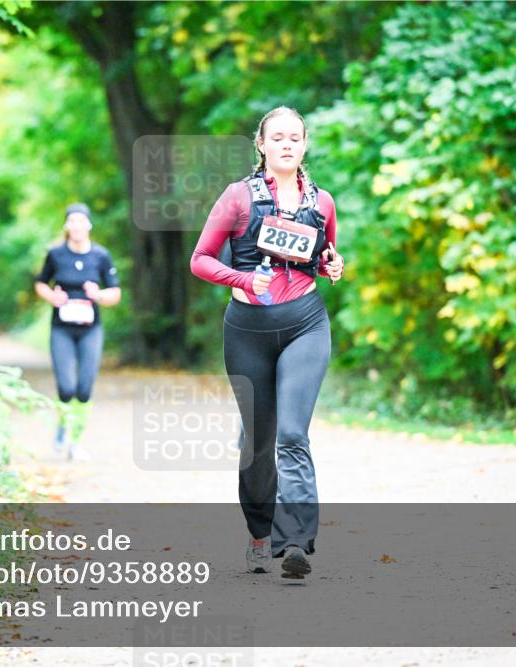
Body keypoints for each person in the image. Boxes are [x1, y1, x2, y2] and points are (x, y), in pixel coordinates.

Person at [189, 106, 344, 579]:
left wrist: (333, 266)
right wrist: (242, 279)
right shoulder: (238, 197)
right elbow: (200, 260)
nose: (286, 145)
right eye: (277, 138)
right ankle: (260, 533)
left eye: (294, 138)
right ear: (261, 145)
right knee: (258, 442)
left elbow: (324, 257)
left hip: (305, 324)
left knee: (292, 433)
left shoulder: (323, 202)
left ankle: (295, 541)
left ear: (305, 144)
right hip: (248, 330)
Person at [34, 203, 121, 461]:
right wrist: (52, 296)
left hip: (90, 330)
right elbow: (40, 283)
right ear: (66, 226)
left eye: (81, 221)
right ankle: (63, 426)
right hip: (61, 329)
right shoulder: (56, 255)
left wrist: (99, 295)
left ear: (89, 225)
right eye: (72, 221)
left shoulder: (101, 256)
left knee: (84, 388)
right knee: (66, 386)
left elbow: (116, 292)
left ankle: (76, 442)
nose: (77, 226)